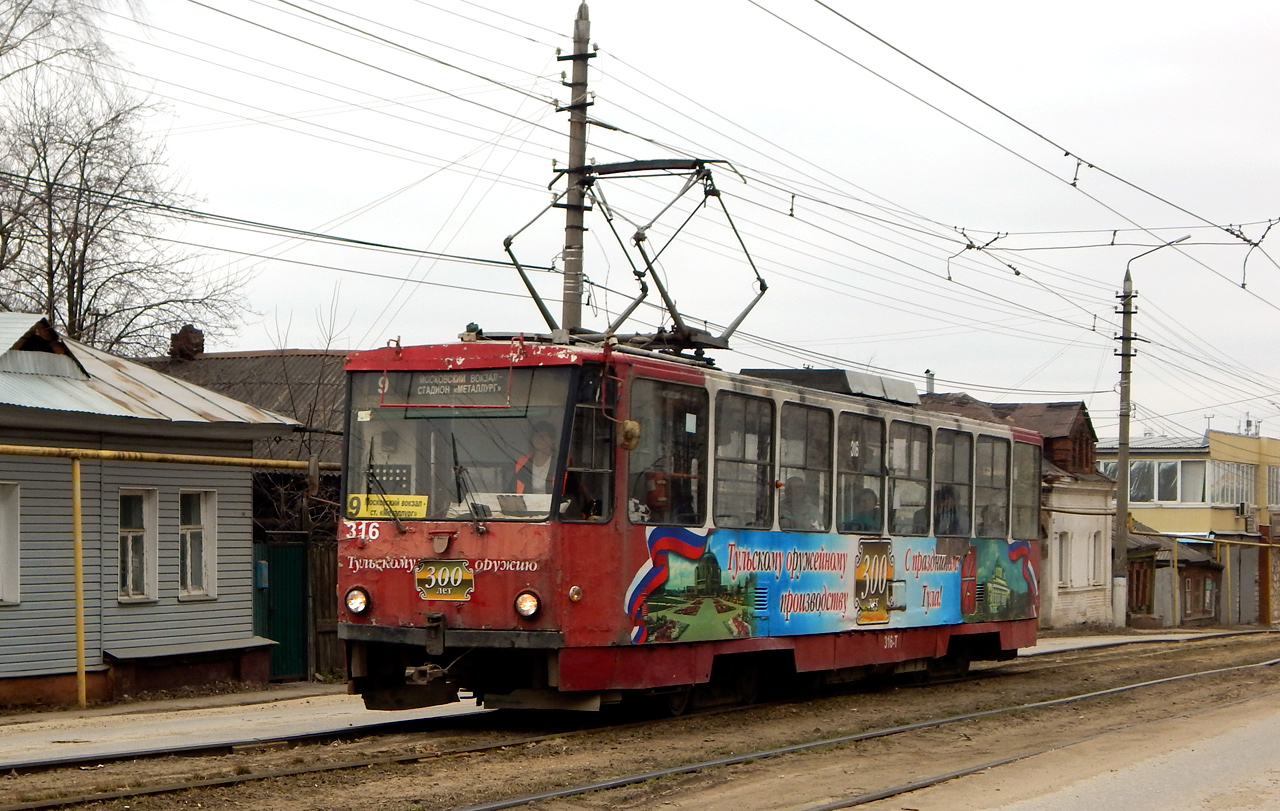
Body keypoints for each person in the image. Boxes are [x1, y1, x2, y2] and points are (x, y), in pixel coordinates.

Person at [513, 422, 557, 494]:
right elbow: (512, 488)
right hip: (528, 504)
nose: (538, 439)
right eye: (536, 436)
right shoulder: (523, 461)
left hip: (554, 505)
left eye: (542, 436)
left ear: (552, 440)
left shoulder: (562, 462)